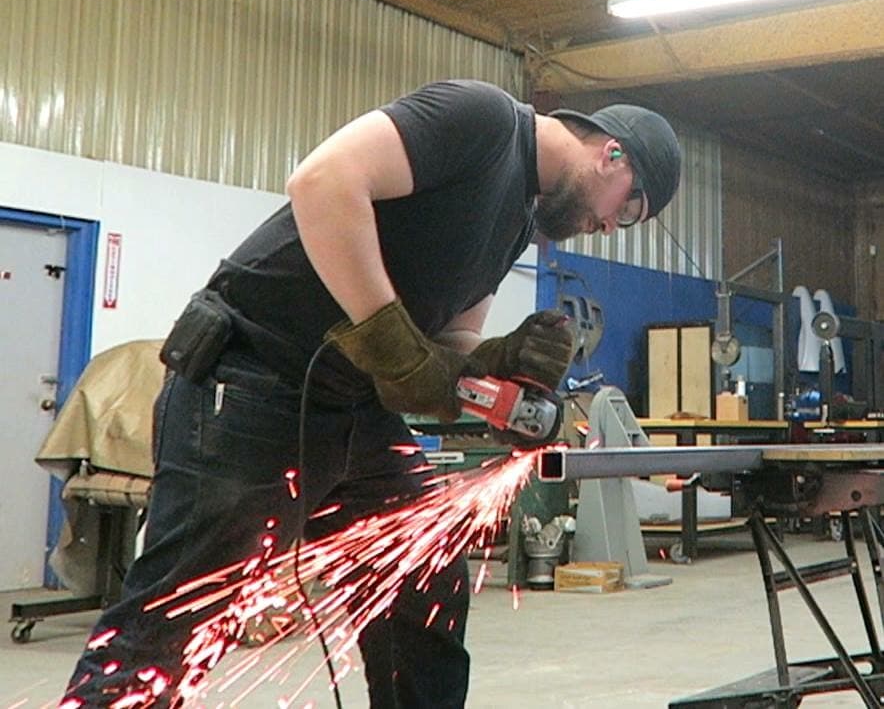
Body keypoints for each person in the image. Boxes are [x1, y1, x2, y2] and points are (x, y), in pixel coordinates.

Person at [62, 79, 681, 708]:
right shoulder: (483, 120)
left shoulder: (518, 221)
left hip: (354, 407)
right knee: (178, 617)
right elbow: (323, 181)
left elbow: (451, 340)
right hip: (251, 374)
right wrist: (387, 337)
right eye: (628, 210)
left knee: (424, 589)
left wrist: (498, 371)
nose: (608, 227)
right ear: (613, 155)